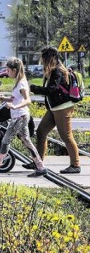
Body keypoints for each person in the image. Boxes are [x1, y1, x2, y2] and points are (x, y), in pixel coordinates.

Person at [0, 57, 47, 177]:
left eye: (8, 70)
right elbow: (15, 99)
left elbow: (27, 100)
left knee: (6, 141)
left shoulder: (21, 84)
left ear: (15, 70)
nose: (7, 72)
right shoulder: (18, 82)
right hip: (20, 115)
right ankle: (41, 167)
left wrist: (14, 107)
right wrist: (4, 98)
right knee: (26, 141)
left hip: (19, 116)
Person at [28, 46, 81, 174]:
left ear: (49, 58)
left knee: (66, 136)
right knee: (41, 132)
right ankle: (38, 162)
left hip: (63, 108)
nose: (41, 60)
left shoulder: (58, 71)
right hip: (54, 108)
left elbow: (51, 90)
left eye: (43, 58)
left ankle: (75, 165)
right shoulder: (51, 70)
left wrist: (33, 88)